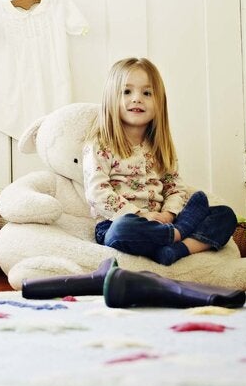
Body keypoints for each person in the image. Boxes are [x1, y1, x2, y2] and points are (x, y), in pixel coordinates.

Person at [83, 57, 237, 266]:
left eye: (147, 93)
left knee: (224, 215)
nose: (137, 99)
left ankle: (176, 249)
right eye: (127, 92)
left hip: (163, 222)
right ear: (111, 99)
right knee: (123, 229)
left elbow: (175, 187)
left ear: (159, 103)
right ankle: (178, 234)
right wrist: (141, 215)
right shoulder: (101, 144)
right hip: (119, 224)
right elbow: (97, 192)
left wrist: (168, 213)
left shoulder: (159, 147)